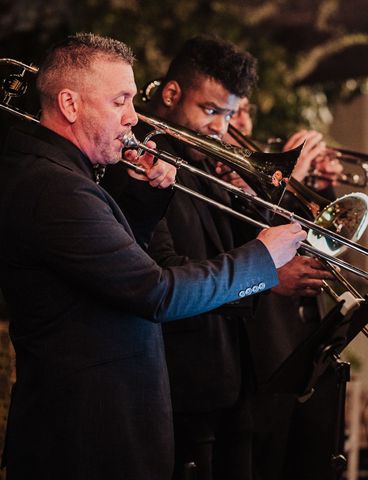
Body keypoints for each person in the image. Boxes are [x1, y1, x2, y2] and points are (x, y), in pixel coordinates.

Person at [0, 32, 305, 480]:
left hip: (101, 426)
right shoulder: (55, 187)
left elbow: (113, 272)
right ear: (70, 105)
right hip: (86, 437)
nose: (133, 117)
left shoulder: (65, 175)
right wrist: (262, 256)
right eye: (120, 100)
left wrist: (142, 201)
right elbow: (156, 292)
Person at [113, 35, 336, 480]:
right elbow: (167, 273)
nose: (220, 126)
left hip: (233, 380)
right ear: (172, 94)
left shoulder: (204, 165)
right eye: (211, 110)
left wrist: (272, 194)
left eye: (229, 114)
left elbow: (244, 237)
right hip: (184, 383)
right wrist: (269, 276)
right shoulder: (141, 164)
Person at [226, 97, 348, 480]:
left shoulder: (257, 170)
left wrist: (318, 191)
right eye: (232, 111)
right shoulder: (231, 176)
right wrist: (287, 176)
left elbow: (322, 251)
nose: (242, 120)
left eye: (246, 109)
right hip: (259, 350)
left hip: (303, 343)